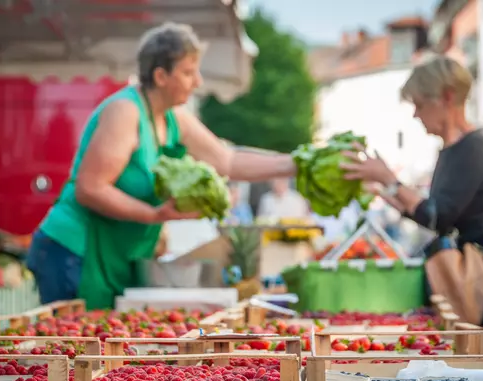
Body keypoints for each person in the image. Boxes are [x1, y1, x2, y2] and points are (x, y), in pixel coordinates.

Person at [26, 22, 297, 310]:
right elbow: (90, 189)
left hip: (114, 253)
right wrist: (154, 214)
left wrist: (297, 163)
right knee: (71, 344)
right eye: (188, 72)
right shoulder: (125, 111)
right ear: (160, 76)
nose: (198, 82)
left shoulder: (172, 118)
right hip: (75, 250)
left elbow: (227, 160)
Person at [340, 55, 483, 354]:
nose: (416, 114)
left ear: (446, 97)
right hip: (479, 268)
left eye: (420, 103)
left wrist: (389, 179)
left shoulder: (475, 147)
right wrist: (380, 186)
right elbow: (432, 215)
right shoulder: (452, 150)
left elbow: (439, 215)